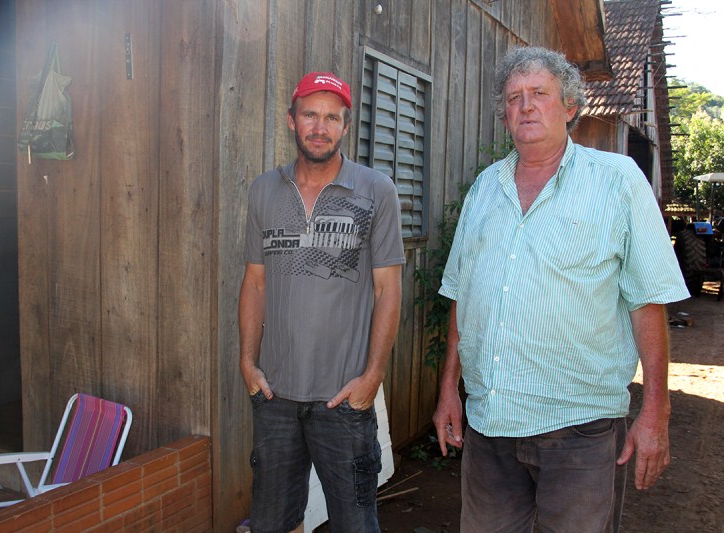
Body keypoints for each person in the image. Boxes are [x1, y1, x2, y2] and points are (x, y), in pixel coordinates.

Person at [432, 47, 690, 532]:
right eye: (514, 98)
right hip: (491, 425)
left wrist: (656, 409)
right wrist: (450, 387)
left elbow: (647, 299)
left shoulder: (616, 181)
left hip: (581, 431)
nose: (525, 106)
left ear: (570, 107)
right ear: (504, 115)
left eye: (539, 94)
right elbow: (463, 296)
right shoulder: (485, 189)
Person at [239, 72, 405, 533]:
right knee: (271, 524)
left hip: (343, 399)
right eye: (310, 114)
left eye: (332, 117)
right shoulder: (263, 191)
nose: (320, 126)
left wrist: (372, 377)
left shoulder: (376, 191)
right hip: (275, 397)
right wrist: (247, 364)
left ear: (345, 127)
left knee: (356, 524)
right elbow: (254, 283)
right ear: (292, 121)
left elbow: (388, 289)